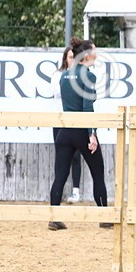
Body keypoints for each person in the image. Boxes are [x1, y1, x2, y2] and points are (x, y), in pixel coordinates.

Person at [48, 37, 111, 230]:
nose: (96, 55)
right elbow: (87, 106)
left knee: (60, 175)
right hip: (82, 130)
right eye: (94, 51)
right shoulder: (88, 75)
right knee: (97, 173)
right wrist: (92, 134)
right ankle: (104, 216)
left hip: (65, 131)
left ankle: (54, 216)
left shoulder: (64, 76)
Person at [56, 43, 85, 204]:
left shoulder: (79, 76)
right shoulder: (61, 76)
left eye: (74, 57)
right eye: (70, 57)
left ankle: (75, 191)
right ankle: (58, 195)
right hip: (61, 120)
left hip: (76, 120)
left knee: (76, 157)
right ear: (66, 59)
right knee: (61, 160)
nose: (73, 60)